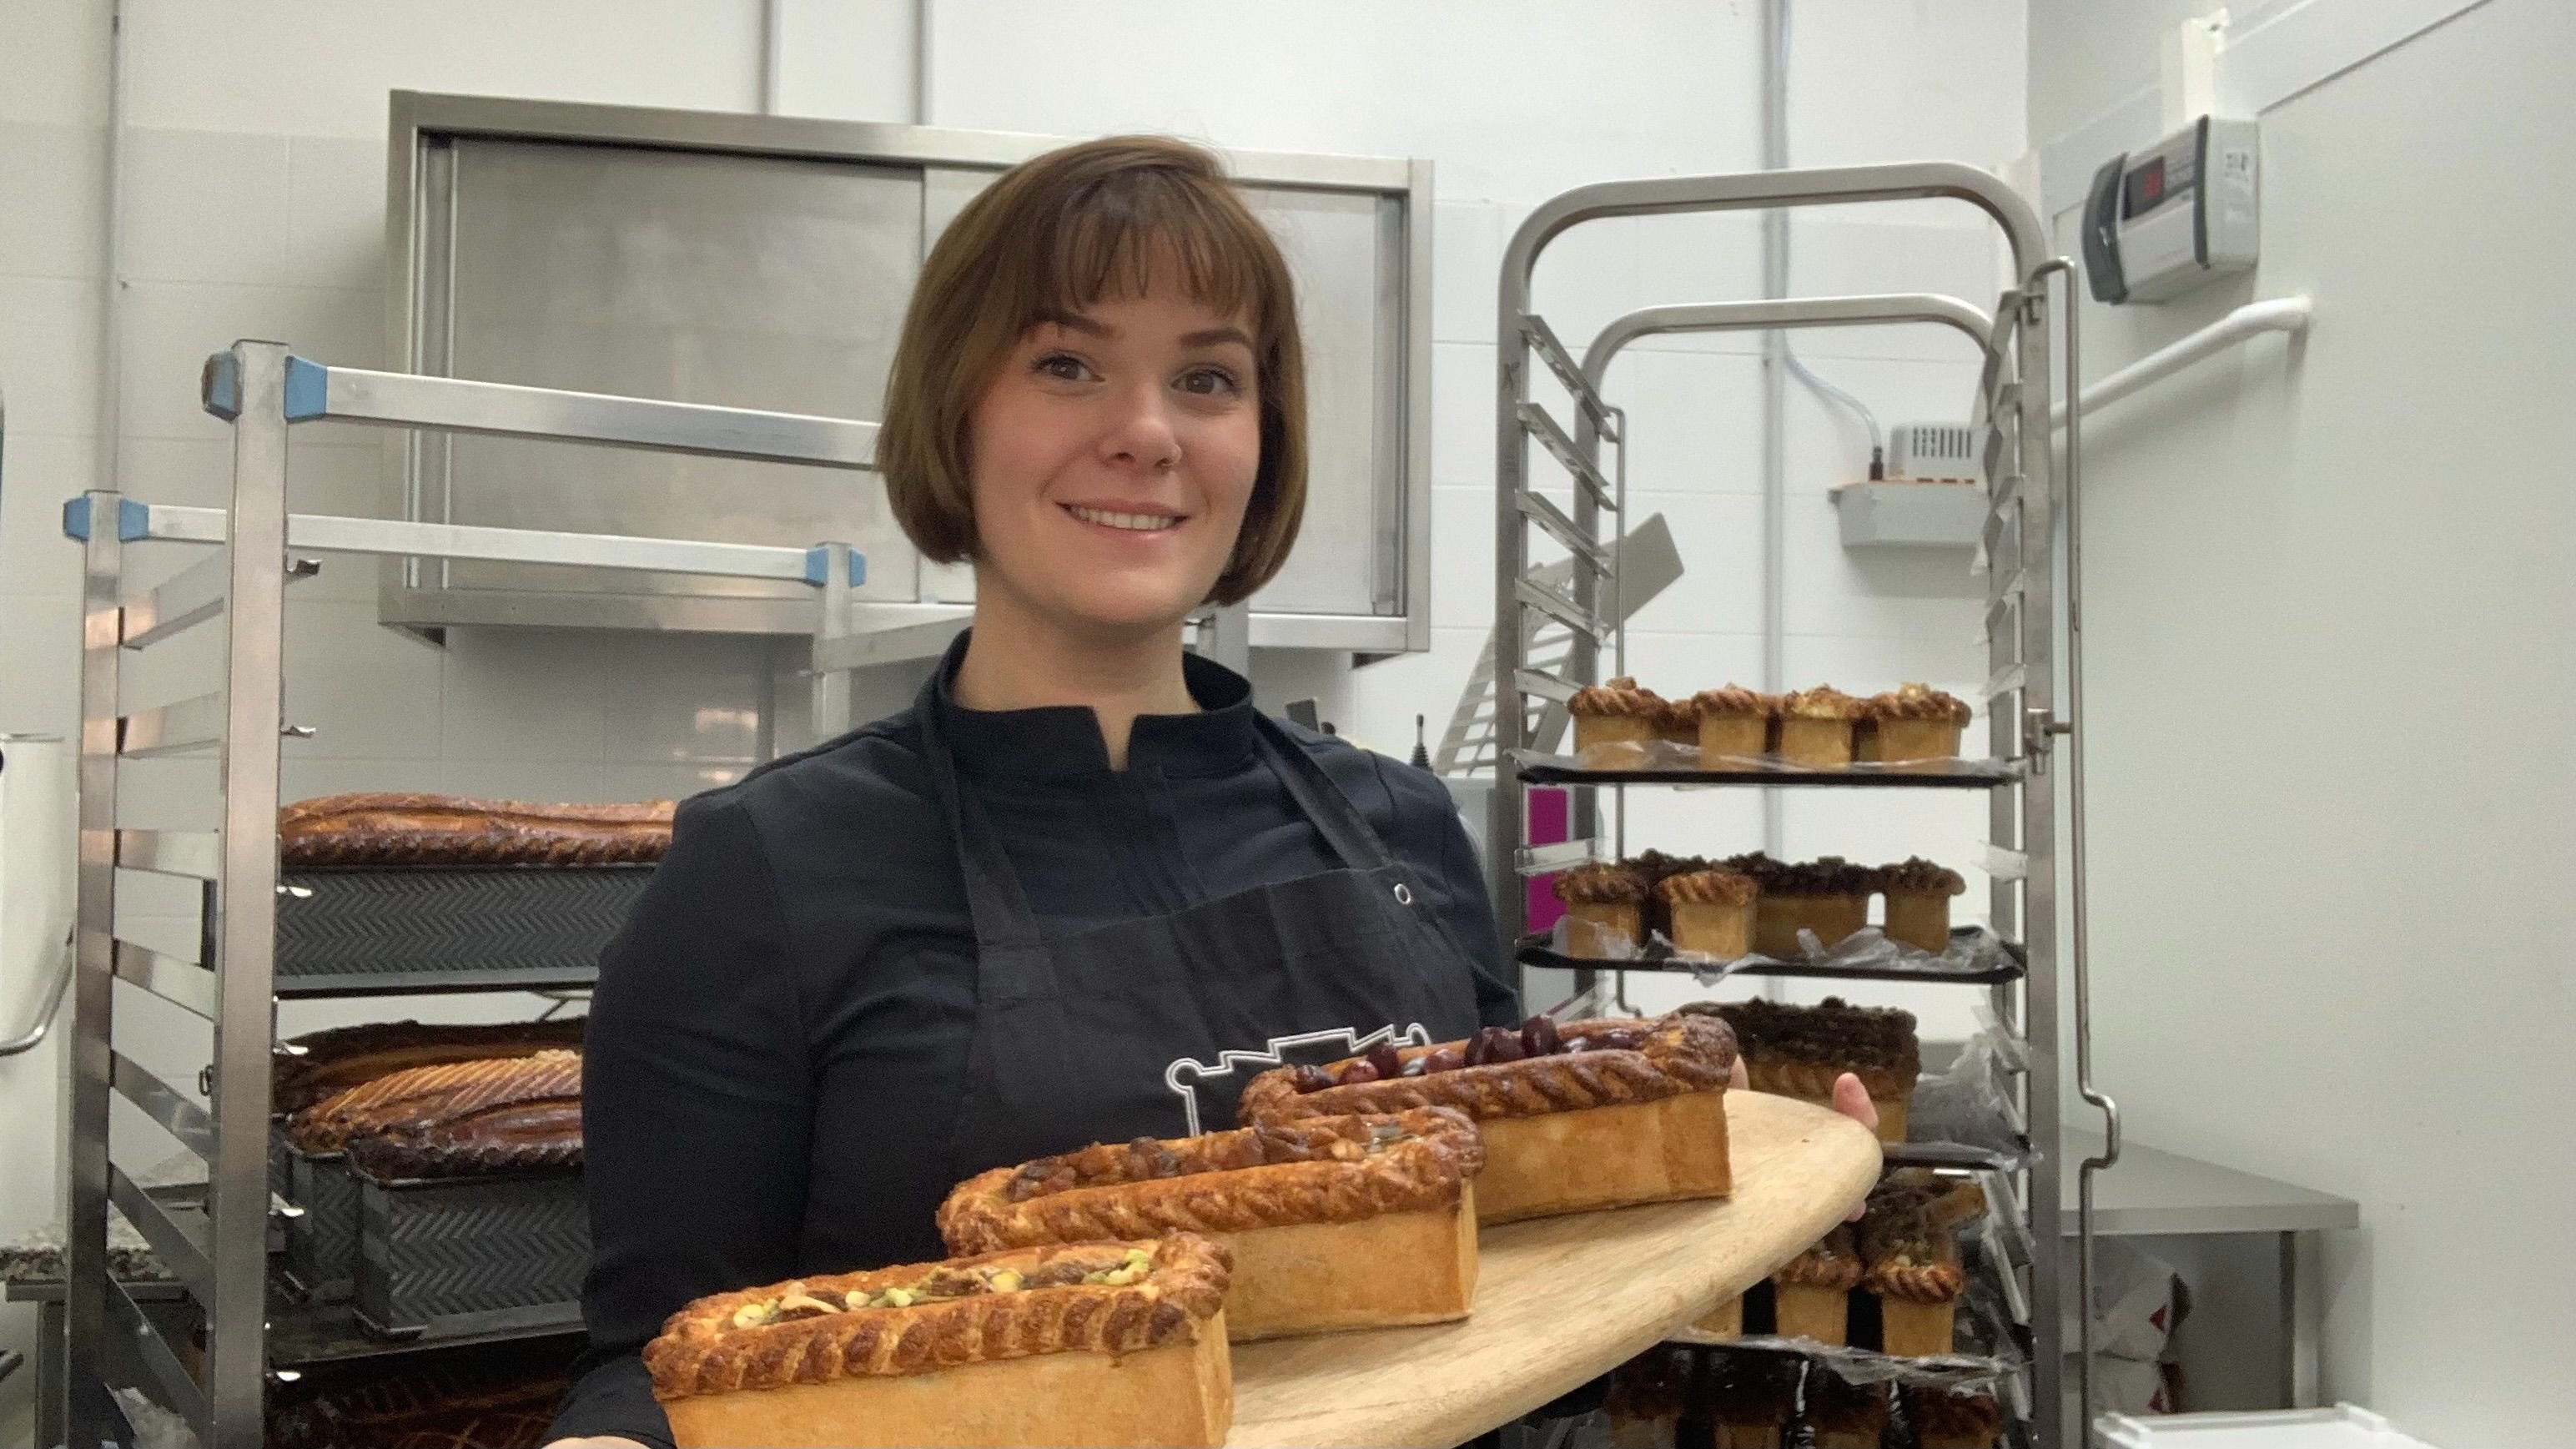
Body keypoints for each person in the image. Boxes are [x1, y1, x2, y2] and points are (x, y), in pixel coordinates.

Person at [543, 135, 1873, 1449]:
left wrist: (1731, 1216)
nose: (1144, 433)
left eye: (1207, 377)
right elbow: (670, 1363)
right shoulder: (766, 870)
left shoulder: (1403, 829)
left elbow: (1516, 1317)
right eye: (1067, 364)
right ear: (956, 411)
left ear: (1261, 441)